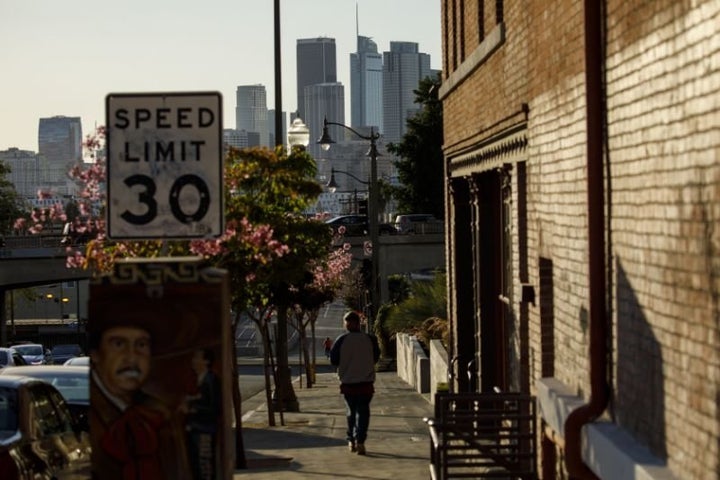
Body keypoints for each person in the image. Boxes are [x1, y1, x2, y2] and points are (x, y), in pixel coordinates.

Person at [88, 312, 192, 480]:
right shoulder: (88, 412)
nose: (132, 357)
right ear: (96, 354)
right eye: (119, 344)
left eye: (141, 345)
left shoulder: (161, 413)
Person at [329, 311, 380, 455]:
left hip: (348, 382)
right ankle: (361, 441)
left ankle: (351, 439)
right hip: (366, 381)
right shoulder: (370, 339)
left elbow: (333, 360)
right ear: (359, 323)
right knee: (363, 412)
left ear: (348, 323)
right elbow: (376, 357)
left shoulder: (341, 340)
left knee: (351, 412)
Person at [183, 348, 221, 480]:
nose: (193, 361)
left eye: (197, 358)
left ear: (206, 361)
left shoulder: (210, 380)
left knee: (204, 466)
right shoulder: (202, 379)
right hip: (197, 429)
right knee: (197, 466)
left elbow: (213, 406)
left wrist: (192, 408)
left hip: (204, 430)